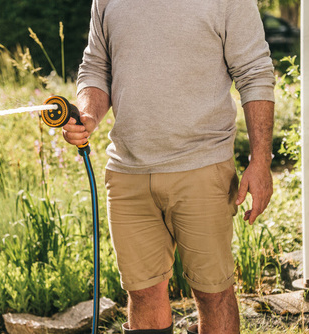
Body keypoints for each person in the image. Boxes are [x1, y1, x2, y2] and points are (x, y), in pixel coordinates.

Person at [62, 0, 275, 333]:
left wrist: (261, 159)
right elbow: (96, 68)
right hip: (128, 173)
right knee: (143, 293)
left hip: (203, 167)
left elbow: (254, 72)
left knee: (212, 293)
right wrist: (87, 116)